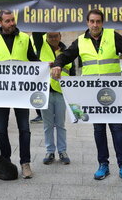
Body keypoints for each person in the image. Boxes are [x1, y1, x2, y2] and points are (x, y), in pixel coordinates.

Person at [51, 9, 122, 183]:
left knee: (117, 130)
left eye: (98, 22)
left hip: (113, 94)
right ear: (87, 23)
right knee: (99, 130)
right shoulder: (80, 41)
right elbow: (66, 56)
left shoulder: (112, 36)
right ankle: (103, 165)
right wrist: (57, 64)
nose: (95, 25)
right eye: (92, 21)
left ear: (102, 23)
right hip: (93, 96)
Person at [0, 9, 39, 179]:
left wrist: (44, 66)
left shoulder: (25, 38)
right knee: (0, 130)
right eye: (7, 21)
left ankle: (25, 163)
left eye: (13, 20)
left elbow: (33, 60)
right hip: (1, 93)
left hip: (21, 92)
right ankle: (6, 161)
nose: (11, 23)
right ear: (0, 22)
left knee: (25, 129)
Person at [33, 31, 75, 165]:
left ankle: (62, 151)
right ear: (46, 37)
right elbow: (36, 32)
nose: (53, 38)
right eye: (50, 36)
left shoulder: (67, 51)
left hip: (61, 93)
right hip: (45, 92)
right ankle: (50, 151)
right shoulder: (41, 47)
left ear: (60, 36)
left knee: (61, 124)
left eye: (55, 36)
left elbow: (72, 73)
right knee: (48, 125)